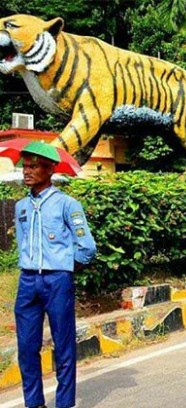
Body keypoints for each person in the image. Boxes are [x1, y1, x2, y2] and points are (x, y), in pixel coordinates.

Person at [13, 141, 97, 408]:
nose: (26, 171)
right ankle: (34, 403)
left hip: (57, 281)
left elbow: (87, 248)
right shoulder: (21, 207)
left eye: (33, 166)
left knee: (63, 347)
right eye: (25, 166)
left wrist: (65, 269)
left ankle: (64, 403)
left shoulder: (66, 204)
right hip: (27, 281)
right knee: (27, 348)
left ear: (49, 170)